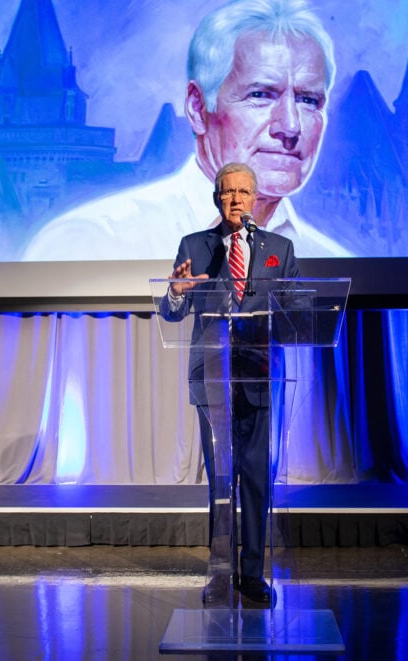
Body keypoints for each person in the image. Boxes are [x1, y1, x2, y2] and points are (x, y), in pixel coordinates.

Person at [22, 0, 349, 261]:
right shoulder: (91, 242)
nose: (290, 126)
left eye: (309, 100)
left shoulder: (332, 259)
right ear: (196, 107)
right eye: (260, 95)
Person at [159, 162, 299, 606]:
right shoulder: (196, 247)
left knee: (256, 480)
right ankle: (220, 575)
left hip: (258, 375)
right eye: (227, 192)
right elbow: (171, 312)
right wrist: (178, 292)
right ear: (217, 199)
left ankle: (253, 576)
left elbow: (296, 311)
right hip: (213, 379)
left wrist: (289, 310)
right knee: (221, 483)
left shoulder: (280, 247)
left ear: (256, 199)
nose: (235, 199)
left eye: (243, 192)